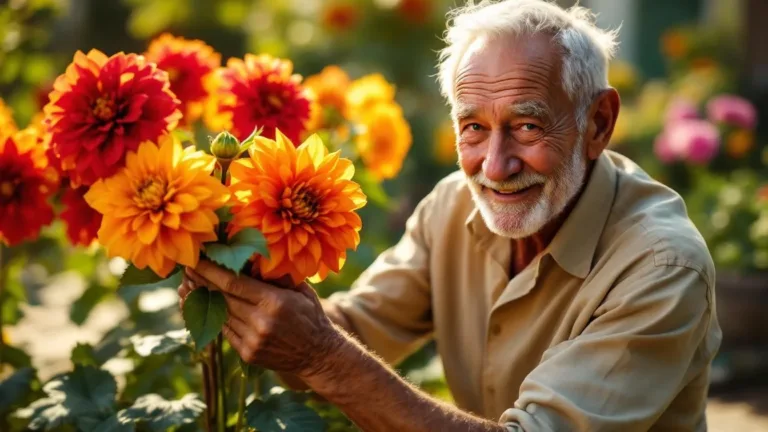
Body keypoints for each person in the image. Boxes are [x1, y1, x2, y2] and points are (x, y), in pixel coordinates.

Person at [179, 0, 722, 430]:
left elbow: (326, 349)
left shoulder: (662, 266)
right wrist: (246, 285)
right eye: (474, 127)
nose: (495, 166)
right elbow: (351, 329)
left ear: (598, 123)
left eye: (528, 127)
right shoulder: (453, 204)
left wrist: (322, 355)